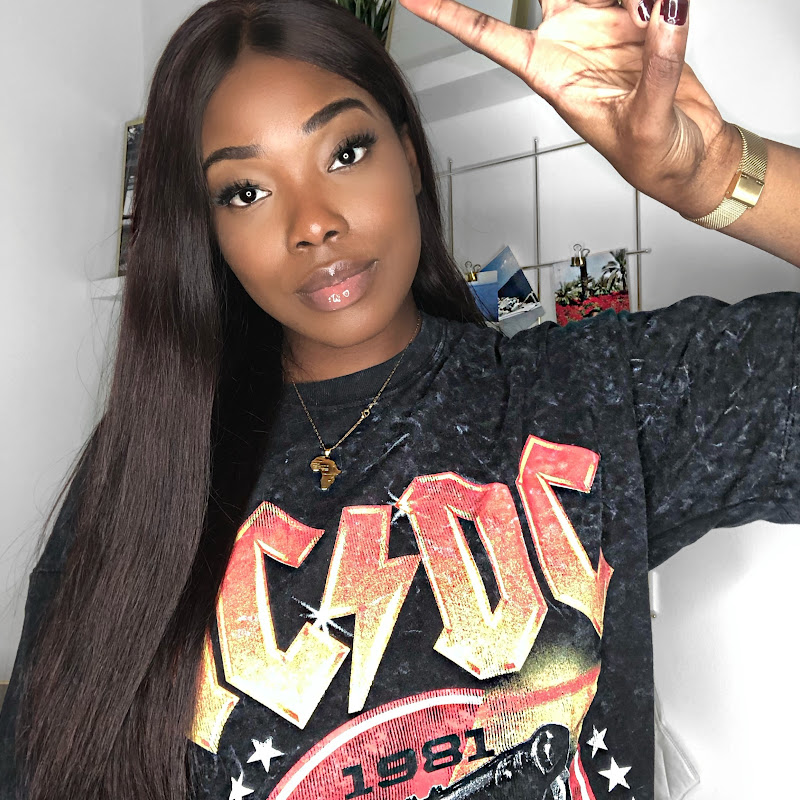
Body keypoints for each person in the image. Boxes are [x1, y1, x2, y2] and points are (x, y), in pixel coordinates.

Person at [0, 0, 797, 799]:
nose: (314, 223)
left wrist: (720, 174)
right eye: (245, 192)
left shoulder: (591, 395)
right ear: (207, 233)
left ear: (410, 157)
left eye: (345, 152)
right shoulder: (153, 465)